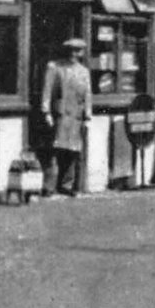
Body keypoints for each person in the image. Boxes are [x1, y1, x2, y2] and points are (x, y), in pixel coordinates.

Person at [41, 38, 92, 197]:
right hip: (60, 114)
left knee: (73, 152)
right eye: (71, 50)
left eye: (77, 51)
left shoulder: (84, 71)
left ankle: (67, 185)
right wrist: (46, 112)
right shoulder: (55, 67)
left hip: (76, 115)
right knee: (55, 150)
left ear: (81, 53)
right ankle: (49, 186)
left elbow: (88, 95)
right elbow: (47, 90)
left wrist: (88, 116)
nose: (74, 54)